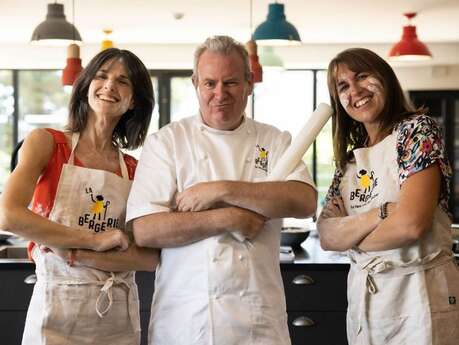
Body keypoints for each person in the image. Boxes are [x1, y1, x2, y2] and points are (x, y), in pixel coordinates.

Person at [126, 35, 317, 345]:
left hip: (258, 319)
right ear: (195, 84)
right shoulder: (167, 142)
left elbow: (304, 200)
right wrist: (229, 218)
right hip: (187, 319)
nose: (219, 94)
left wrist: (219, 190)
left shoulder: (274, 140)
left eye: (230, 83)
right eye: (209, 83)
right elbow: (146, 230)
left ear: (249, 83)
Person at [0, 48, 159, 345]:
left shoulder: (135, 170)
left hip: (116, 317)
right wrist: (95, 240)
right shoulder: (46, 143)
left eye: (123, 81)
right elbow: (8, 215)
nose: (110, 85)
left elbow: (150, 258)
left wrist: (78, 254)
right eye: (101, 76)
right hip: (56, 309)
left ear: (134, 100)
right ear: (86, 86)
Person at [317, 48, 459, 345]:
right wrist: (380, 214)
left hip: (420, 295)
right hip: (365, 300)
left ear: (385, 77)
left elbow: (411, 226)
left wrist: (351, 238)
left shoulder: (417, 132)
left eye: (363, 76)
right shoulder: (349, 161)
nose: (355, 90)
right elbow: (327, 235)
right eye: (343, 86)